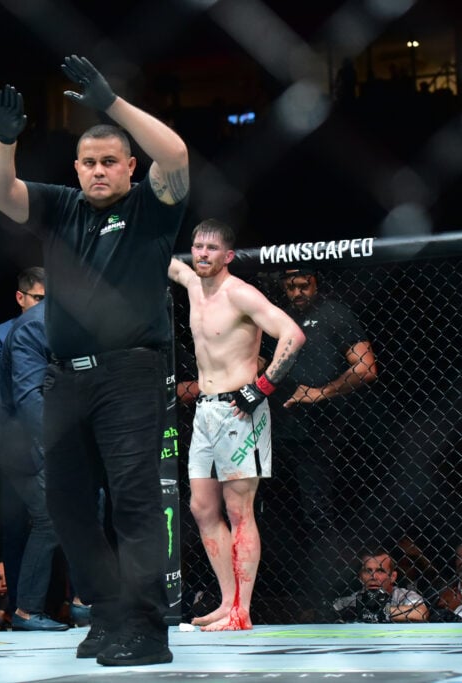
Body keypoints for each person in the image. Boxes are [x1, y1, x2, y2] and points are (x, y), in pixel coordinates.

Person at [0, 54, 189, 666]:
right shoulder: (62, 207)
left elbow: (174, 155)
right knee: (68, 506)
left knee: (132, 501)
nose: (98, 171)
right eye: (89, 163)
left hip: (130, 371)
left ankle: (149, 631)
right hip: (64, 380)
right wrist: (4, 140)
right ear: (77, 169)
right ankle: (109, 615)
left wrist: (113, 105)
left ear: (129, 167)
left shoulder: (152, 208)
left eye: (109, 162)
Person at [167, 219, 305, 631]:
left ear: (228, 256)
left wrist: (261, 387)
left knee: (238, 509)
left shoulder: (240, 293)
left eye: (211, 248)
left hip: (239, 410)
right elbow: (161, 259)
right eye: (197, 247)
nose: (202, 254)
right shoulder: (193, 285)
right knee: (201, 507)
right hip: (206, 409)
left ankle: (241, 610)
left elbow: (292, 335)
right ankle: (227, 604)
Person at [0, 299, 68, 632]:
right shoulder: (36, 325)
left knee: (85, 506)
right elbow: (30, 396)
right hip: (15, 437)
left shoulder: (72, 321)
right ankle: (26, 611)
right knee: (48, 518)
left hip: (39, 433)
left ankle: (82, 602)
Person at [274, 268, 379, 532]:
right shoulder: (277, 317)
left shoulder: (334, 314)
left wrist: (321, 392)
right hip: (278, 428)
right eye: (290, 287)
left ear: (316, 284)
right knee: (281, 512)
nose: (297, 293)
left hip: (323, 428)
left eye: (303, 286)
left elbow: (366, 367)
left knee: (319, 510)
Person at [0, 267, 46, 382]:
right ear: (20, 298)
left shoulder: (61, 333)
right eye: (38, 298)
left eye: (49, 300)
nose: (45, 305)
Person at [332, 551, 429, 623]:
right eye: (368, 571)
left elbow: (421, 613)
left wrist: (381, 612)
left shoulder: (403, 595)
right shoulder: (356, 597)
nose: (373, 577)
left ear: (393, 577)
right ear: (360, 577)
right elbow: (332, 610)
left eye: (380, 571)